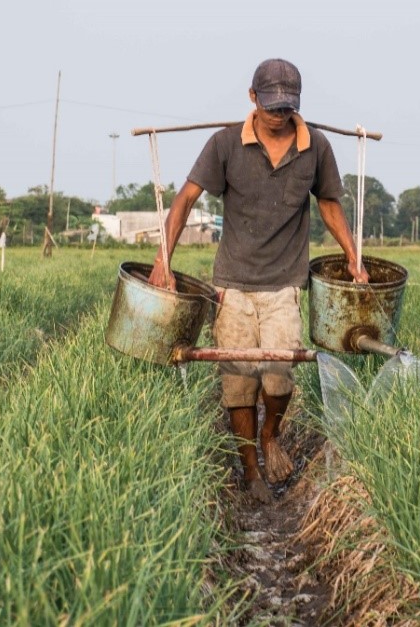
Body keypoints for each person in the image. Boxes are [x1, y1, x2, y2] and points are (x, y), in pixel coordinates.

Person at [149, 58, 367, 503]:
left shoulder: (316, 146)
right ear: (253, 98)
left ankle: (271, 434)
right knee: (239, 380)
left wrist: (354, 257)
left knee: (278, 375)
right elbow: (185, 199)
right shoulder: (225, 144)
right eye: (271, 105)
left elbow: (328, 203)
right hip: (231, 284)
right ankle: (250, 471)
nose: (279, 114)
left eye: (288, 106)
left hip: (284, 284)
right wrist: (162, 260)